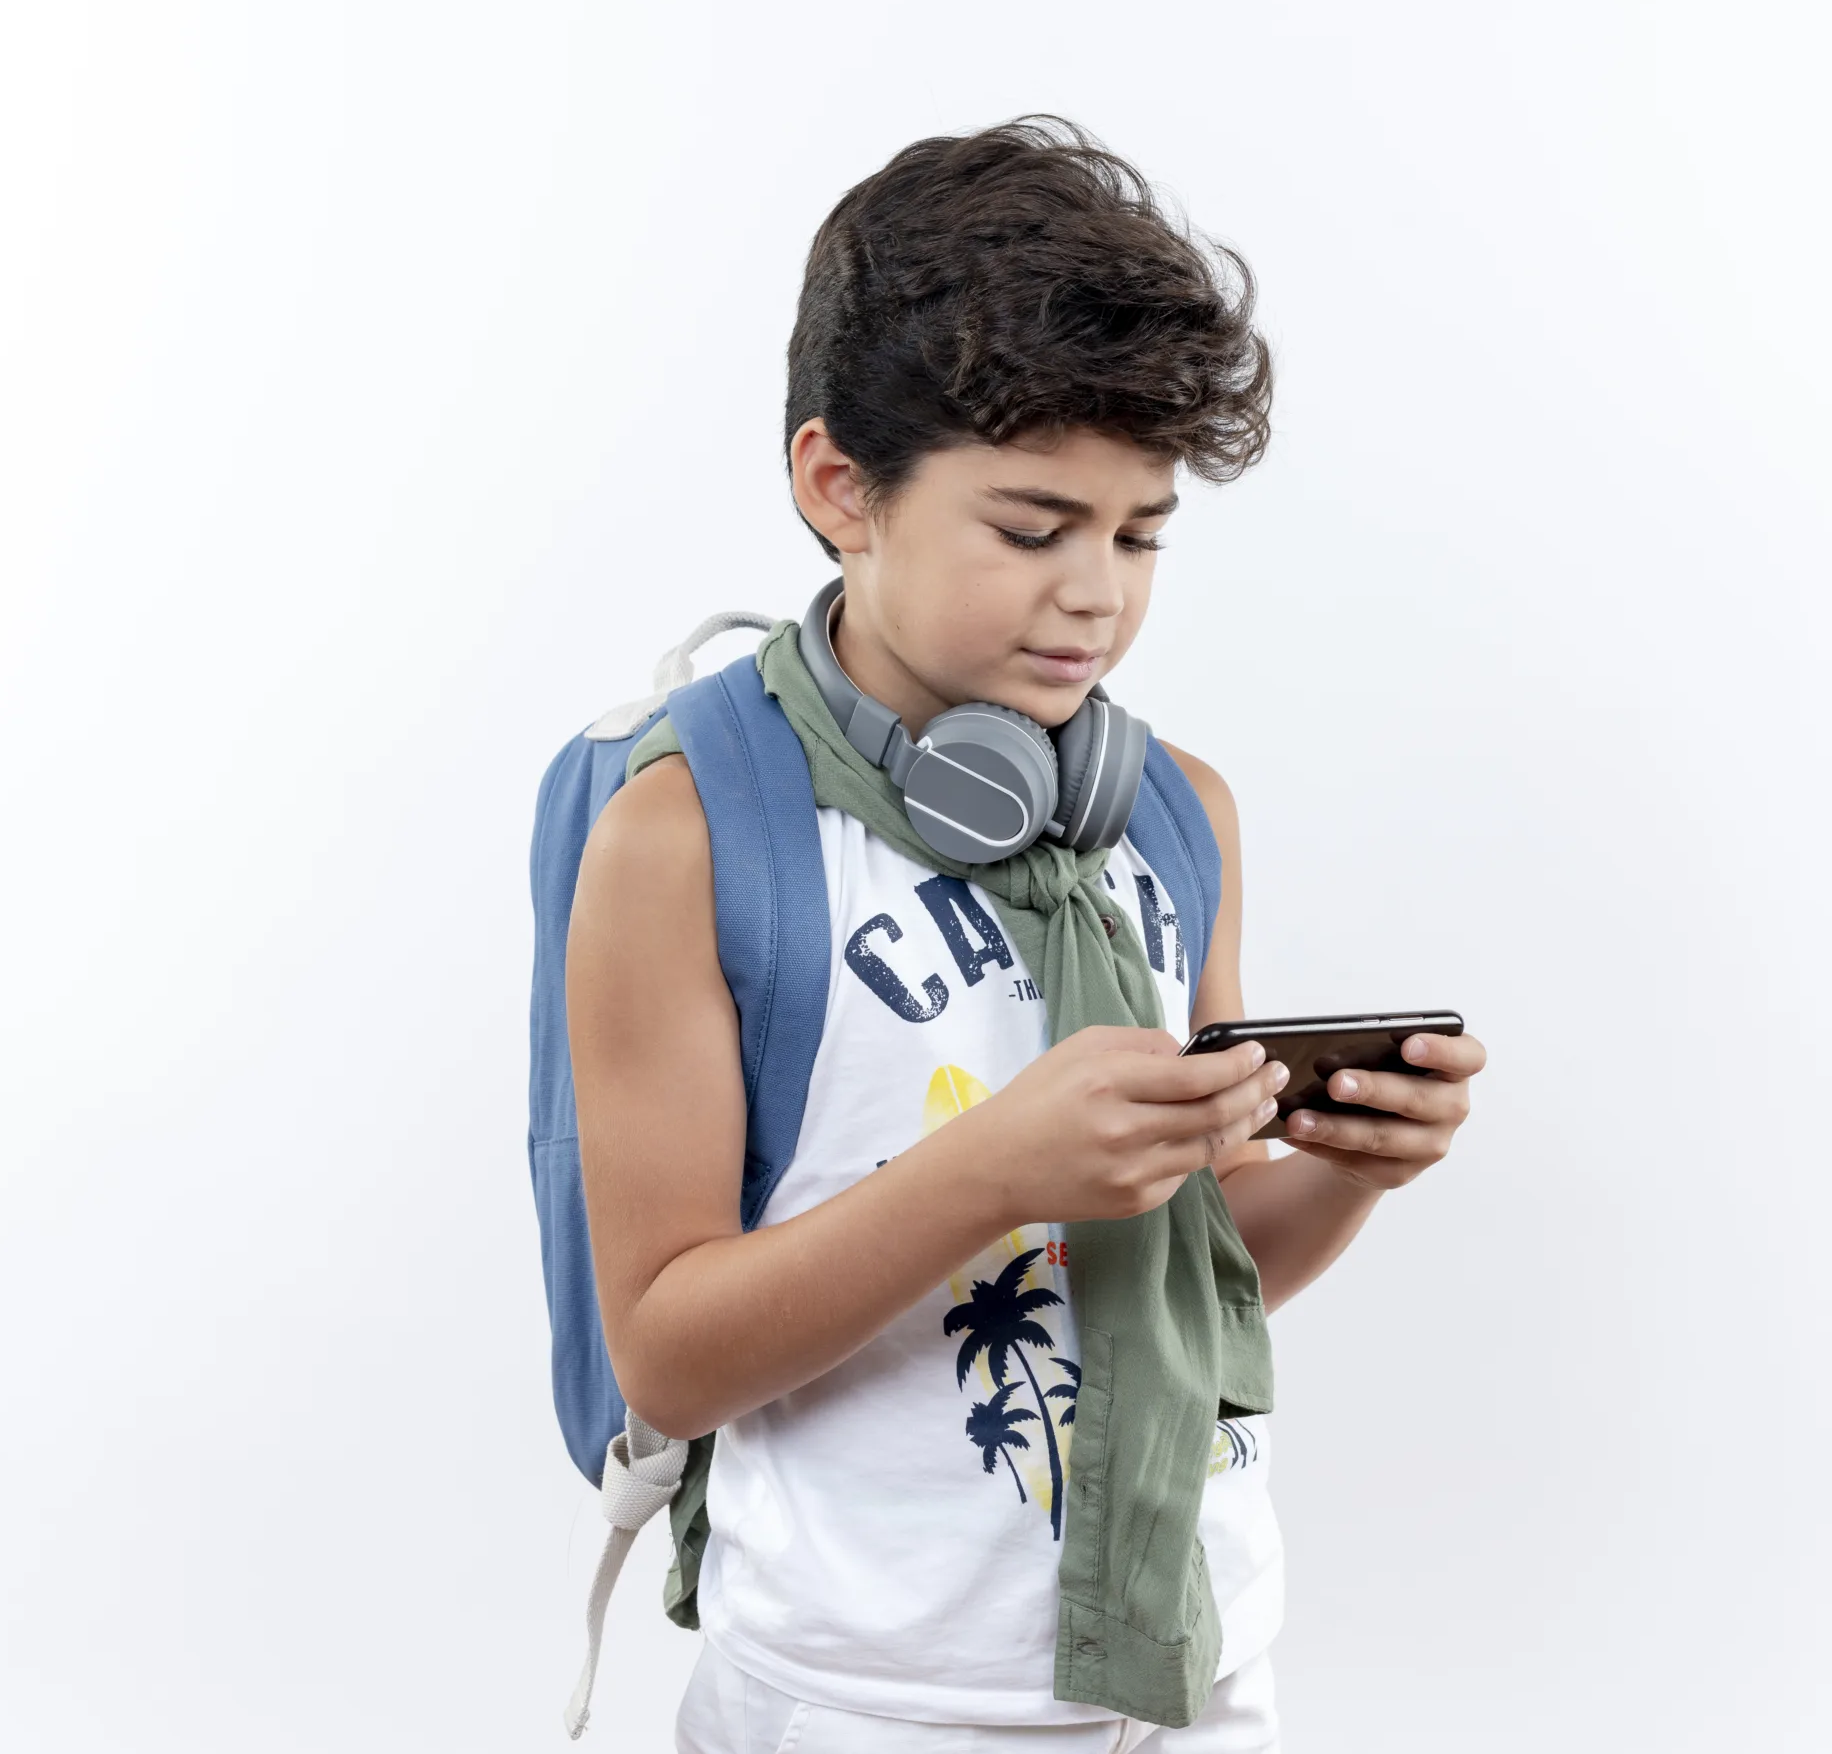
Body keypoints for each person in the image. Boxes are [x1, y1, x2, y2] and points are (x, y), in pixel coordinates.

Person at [565, 114, 1487, 1754]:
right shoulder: (691, 837)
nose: (1098, 598)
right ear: (840, 485)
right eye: (1032, 526)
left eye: (1140, 535)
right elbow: (670, 1352)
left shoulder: (1171, 811)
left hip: (1187, 1662)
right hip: (868, 1699)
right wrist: (993, 1169)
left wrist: (1351, 1161)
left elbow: (1202, 1273)